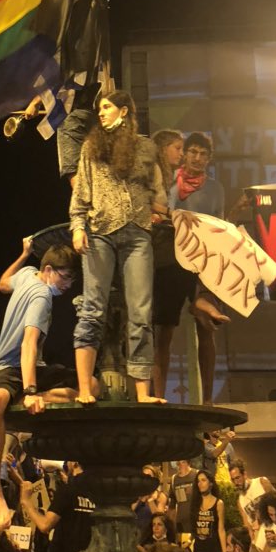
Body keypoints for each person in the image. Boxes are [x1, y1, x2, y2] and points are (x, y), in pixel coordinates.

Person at [70, 90, 167, 404]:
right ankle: (85, 389)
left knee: (140, 312)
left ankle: (142, 392)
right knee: (92, 310)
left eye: (107, 107)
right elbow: (81, 192)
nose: (102, 112)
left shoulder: (146, 147)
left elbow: (158, 190)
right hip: (100, 232)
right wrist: (77, 226)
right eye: (100, 108)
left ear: (124, 111)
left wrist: (158, 211)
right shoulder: (91, 147)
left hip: (137, 234)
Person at [0, 237, 88, 523]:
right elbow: (28, 344)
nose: (67, 285)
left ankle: (35, 396)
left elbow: (3, 283)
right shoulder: (42, 296)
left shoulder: (28, 273)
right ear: (50, 270)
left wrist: (24, 254)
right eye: (65, 277)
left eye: (73, 279)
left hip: (34, 367)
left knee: (89, 387)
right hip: (11, 366)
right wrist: (30, 390)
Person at [166, 132, 230, 403]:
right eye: (192, 152)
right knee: (164, 327)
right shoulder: (170, 182)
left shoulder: (216, 189)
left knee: (206, 327)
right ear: (185, 154)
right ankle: (158, 395)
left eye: (203, 154)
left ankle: (207, 398)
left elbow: (219, 223)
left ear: (209, 158)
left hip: (204, 260)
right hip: (172, 258)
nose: (197, 158)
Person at [20, 460, 95, 552]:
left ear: (75, 463)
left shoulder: (67, 491)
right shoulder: (99, 495)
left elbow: (45, 525)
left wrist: (26, 502)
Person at [150, 129, 184, 399]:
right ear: (163, 148)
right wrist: (170, 214)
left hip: (170, 250)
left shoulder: (171, 180)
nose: (181, 155)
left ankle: (160, 392)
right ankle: (147, 391)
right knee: (155, 329)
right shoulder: (152, 169)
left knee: (166, 330)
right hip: (156, 253)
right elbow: (146, 200)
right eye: (178, 148)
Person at [230, 459, 274, 540]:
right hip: (258, 537)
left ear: (245, 474)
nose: (236, 482)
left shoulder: (261, 482)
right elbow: (247, 526)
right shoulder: (240, 501)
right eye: (233, 480)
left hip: (273, 530)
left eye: (238, 478)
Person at [189, 470, 226, 552]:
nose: (200, 483)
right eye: (198, 481)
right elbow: (193, 527)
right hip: (198, 551)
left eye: (203, 480)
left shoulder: (219, 503)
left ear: (211, 483)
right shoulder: (195, 503)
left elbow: (221, 530)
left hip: (214, 551)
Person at [168, 460, 197, 540]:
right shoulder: (174, 479)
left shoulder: (196, 475)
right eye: (178, 463)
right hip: (181, 523)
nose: (179, 465)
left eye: (182, 462)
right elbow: (172, 504)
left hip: (195, 522)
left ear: (188, 463)